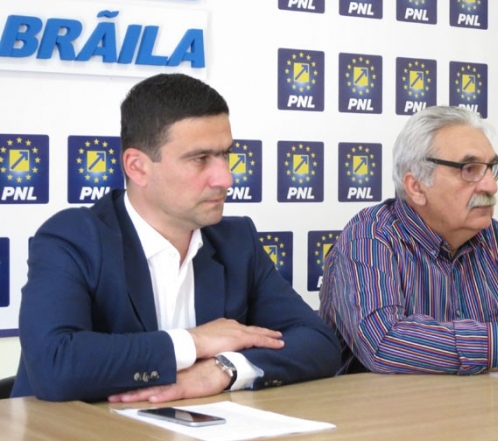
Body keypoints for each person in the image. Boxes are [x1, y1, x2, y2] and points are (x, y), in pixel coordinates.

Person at [12, 73, 341, 402]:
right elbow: (54, 364)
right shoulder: (73, 237)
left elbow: (319, 343)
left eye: (226, 155)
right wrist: (194, 342)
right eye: (200, 159)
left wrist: (223, 369)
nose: (226, 178)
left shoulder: (237, 241)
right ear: (137, 167)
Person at [320, 106, 498, 375]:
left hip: (477, 401)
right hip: (386, 404)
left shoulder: (495, 239)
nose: (491, 186)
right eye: (469, 169)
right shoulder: (369, 238)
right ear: (416, 187)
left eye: (492, 169)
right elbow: (384, 343)